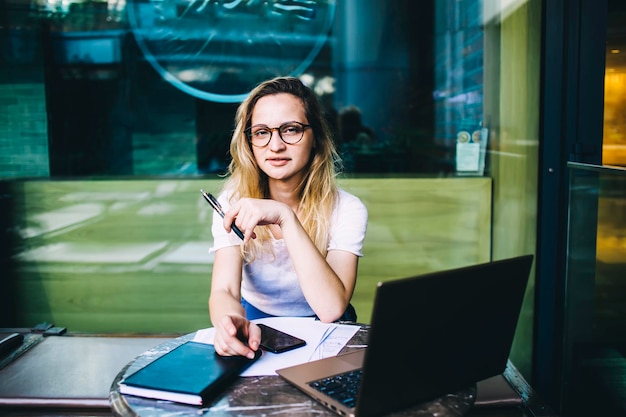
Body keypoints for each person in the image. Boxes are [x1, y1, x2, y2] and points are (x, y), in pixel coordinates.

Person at [208, 77, 368, 358]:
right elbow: (224, 290)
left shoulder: (348, 209)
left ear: (316, 137)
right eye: (261, 132)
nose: (275, 145)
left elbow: (331, 308)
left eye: (291, 129)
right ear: (249, 142)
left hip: (326, 327)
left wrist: (285, 217)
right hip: (258, 324)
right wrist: (231, 321)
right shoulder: (233, 203)